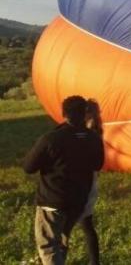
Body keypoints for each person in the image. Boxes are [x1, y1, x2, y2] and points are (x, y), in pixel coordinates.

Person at [23, 95, 105, 265]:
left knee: (49, 246)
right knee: (61, 241)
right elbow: (97, 165)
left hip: (52, 201)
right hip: (78, 201)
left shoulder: (51, 138)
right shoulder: (94, 138)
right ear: (85, 113)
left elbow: (28, 167)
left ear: (63, 113)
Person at [76, 99, 103, 265]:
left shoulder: (86, 133)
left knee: (67, 226)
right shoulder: (96, 131)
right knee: (87, 224)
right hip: (90, 181)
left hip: (81, 182)